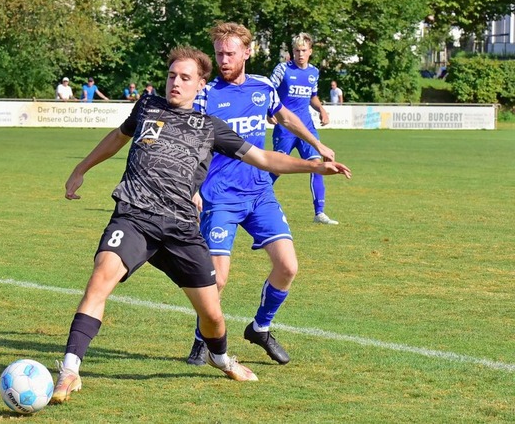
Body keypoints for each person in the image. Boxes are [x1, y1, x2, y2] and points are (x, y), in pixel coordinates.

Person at [51, 45, 351, 404]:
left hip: (181, 228)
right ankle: (69, 370)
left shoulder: (211, 128)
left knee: (212, 314)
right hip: (135, 216)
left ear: (200, 85)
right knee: (100, 280)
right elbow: (118, 137)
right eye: (171, 76)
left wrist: (315, 165)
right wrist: (80, 169)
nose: (175, 83)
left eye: (185, 78)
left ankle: (220, 357)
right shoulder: (147, 107)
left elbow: (263, 157)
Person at [186, 22, 336, 367]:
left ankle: (260, 327)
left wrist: (316, 144)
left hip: (259, 194)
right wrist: (192, 188)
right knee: (217, 278)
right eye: (219, 53)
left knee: (287, 266)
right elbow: (191, 144)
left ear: (247, 52)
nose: (223, 60)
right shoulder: (206, 94)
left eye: (230, 53)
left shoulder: (263, 88)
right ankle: (201, 338)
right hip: (219, 197)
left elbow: (284, 116)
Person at [270, 33, 339, 225]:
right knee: (277, 168)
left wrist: (322, 110)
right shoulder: (282, 69)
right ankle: (253, 200)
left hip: (307, 127)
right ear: (293, 52)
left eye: (303, 51)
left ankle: (320, 213)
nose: (300, 54)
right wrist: (270, 112)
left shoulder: (314, 72)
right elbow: (268, 91)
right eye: (296, 51)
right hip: (285, 127)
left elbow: (313, 96)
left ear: (310, 52)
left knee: (317, 164)